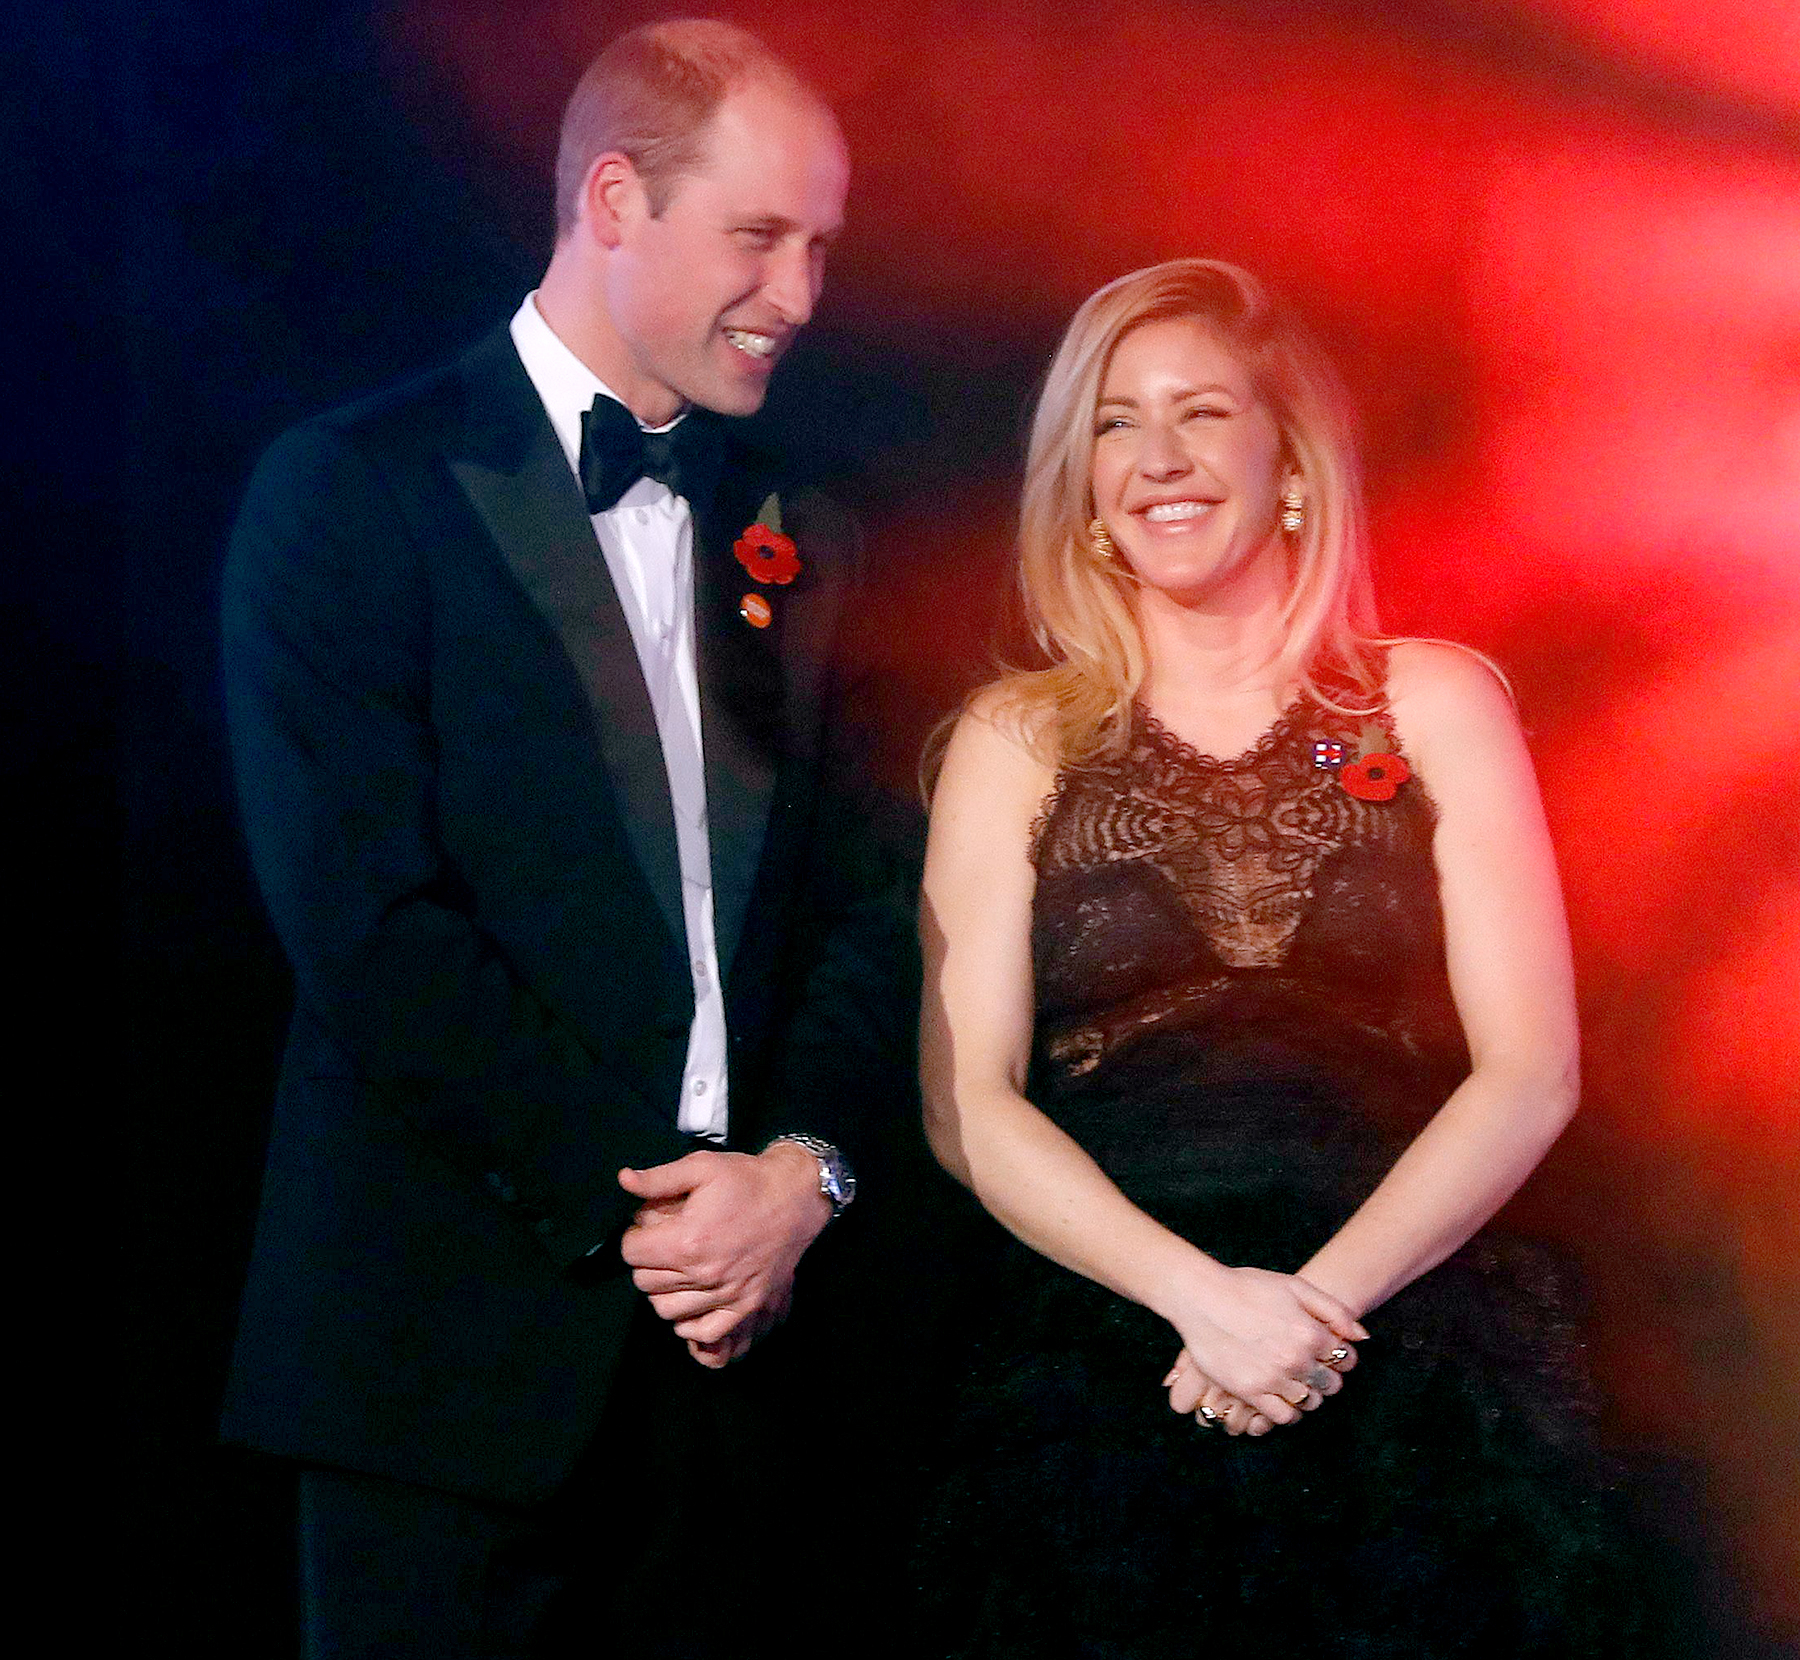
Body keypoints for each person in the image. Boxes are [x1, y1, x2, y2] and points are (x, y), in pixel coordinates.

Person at [220, 20, 908, 1658]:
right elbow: (368, 929)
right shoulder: (350, 489)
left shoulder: (811, 528)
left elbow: (874, 911)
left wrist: (802, 1183)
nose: (801, 295)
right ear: (614, 199)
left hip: (747, 1381)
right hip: (448, 1376)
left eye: (821, 245)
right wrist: (666, 1210)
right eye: (760, 236)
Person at [916, 258, 1657, 1655]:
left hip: (1405, 1335)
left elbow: (1531, 1070)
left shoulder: (1431, 698)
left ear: (1290, 458)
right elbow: (972, 1104)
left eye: (1200, 413)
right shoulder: (1016, 739)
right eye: (1118, 424)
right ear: (1081, 481)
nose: (1159, 459)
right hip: (1114, 1343)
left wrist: (1307, 1319)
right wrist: (1204, 1306)